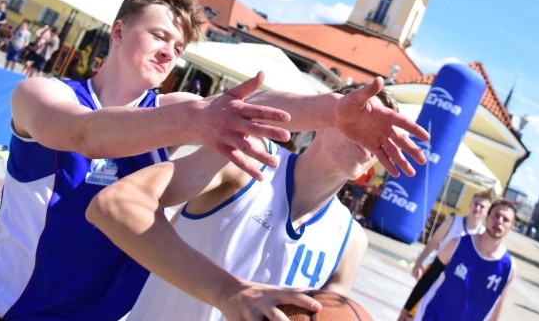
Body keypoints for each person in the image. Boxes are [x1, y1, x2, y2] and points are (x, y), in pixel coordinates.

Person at [0, 0, 429, 320]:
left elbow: (252, 110)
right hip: (0, 303)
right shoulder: (42, 93)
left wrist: (331, 111)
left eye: (179, 46)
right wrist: (196, 121)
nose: (170, 51)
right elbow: (81, 133)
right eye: (160, 36)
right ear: (119, 31)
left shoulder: (171, 111)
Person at [88, 83, 398, 320]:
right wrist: (227, 292)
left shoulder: (350, 241)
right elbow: (114, 204)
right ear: (323, 120)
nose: (370, 133)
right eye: (362, 115)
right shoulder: (249, 160)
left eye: (382, 131)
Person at [398, 199, 516, 321]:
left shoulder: (509, 267)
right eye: (496, 215)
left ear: (511, 227)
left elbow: (496, 307)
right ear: (487, 217)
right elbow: (428, 278)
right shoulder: (458, 243)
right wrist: (405, 310)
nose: (499, 221)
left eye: (505, 219)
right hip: (433, 316)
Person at [410, 190, 493, 279]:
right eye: (476, 204)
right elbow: (433, 242)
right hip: (437, 269)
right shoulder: (453, 221)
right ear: (470, 204)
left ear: (487, 212)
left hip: (458, 278)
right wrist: (419, 262)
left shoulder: (483, 234)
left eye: (482, 206)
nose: (477, 208)